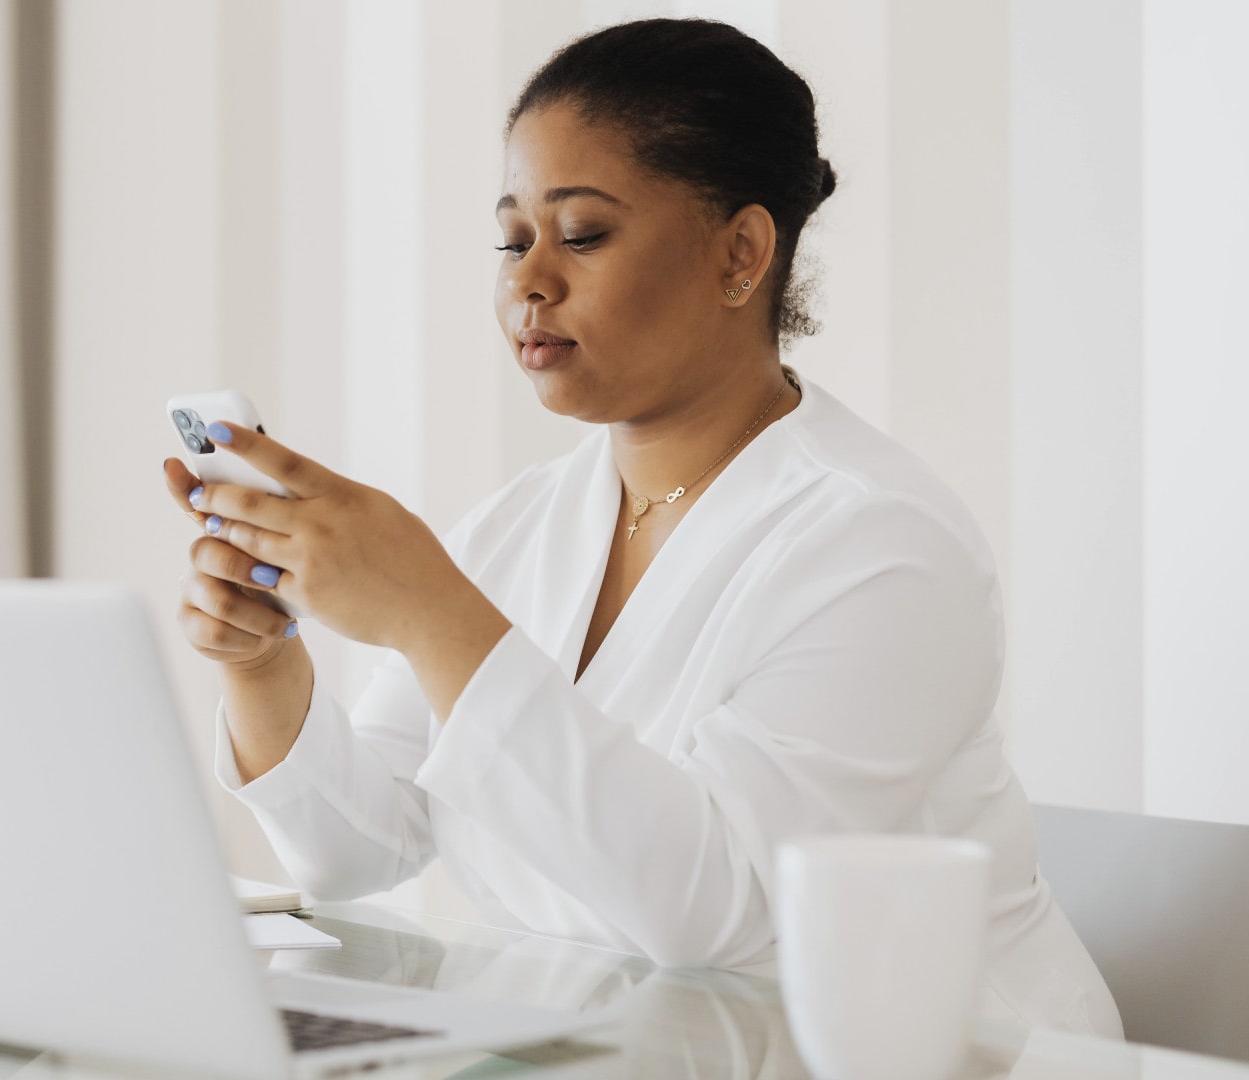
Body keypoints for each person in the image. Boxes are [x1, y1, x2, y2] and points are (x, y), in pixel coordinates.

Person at [158, 18, 1119, 1037]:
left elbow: (712, 909)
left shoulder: (885, 547)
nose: (530, 279)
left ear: (741, 252)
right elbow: (362, 850)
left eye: (580, 235)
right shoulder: (523, 525)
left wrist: (429, 613)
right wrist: (263, 669)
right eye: (511, 237)